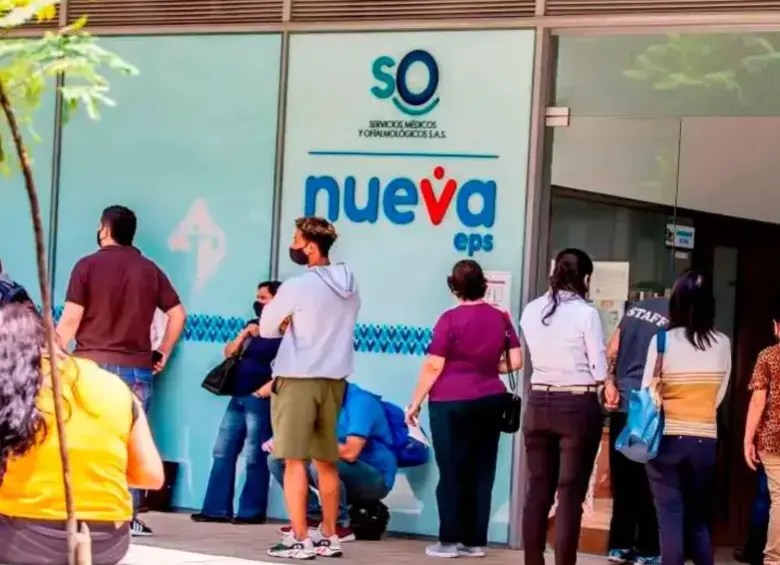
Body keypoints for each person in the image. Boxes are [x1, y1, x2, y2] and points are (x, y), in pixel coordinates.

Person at [55, 205, 187, 537]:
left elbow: (71, 320)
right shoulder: (149, 269)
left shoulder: (86, 265)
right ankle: (126, 516)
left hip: (90, 367)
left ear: (105, 229)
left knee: (82, 437)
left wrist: (51, 352)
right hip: (136, 370)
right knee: (132, 441)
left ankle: (85, 511)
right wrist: (162, 352)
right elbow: (178, 314)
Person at [0, 302, 165, 565]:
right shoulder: (114, 385)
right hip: (107, 540)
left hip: (22, 538)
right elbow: (151, 476)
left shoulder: (10, 387)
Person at [404, 259, 522, 558]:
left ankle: (448, 541)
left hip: (450, 401)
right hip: (490, 398)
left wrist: (415, 402)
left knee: (452, 470)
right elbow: (516, 361)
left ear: (454, 287)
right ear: (484, 284)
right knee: (481, 470)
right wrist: (489, 367)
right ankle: (474, 542)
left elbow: (434, 365)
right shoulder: (500, 317)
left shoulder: (449, 319)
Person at [259, 216, 360, 560]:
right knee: (326, 461)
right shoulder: (349, 283)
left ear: (311, 247)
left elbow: (267, 327)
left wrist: (287, 320)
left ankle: (300, 539)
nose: (293, 245)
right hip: (334, 381)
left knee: (294, 461)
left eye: (296, 240)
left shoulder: (298, 286)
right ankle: (329, 536)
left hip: (298, 379)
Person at [520, 248, 618, 565]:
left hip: (537, 403)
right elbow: (598, 366)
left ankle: (533, 561)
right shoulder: (586, 314)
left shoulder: (531, 309)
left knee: (538, 491)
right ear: (585, 277)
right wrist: (609, 384)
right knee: (570, 493)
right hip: (575, 405)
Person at [642, 270, 731, 565]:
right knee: (697, 518)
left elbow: (647, 393)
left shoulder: (662, 342)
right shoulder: (722, 343)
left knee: (670, 517)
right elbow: (719, 396)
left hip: (666, 440)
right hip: (705, 440)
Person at [191, 281, 283, 524]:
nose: (258, 302)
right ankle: (216, 509)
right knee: (223, 450)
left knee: (255, 454)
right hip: (238, 395)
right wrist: (244, 334)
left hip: (260, 398)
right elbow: (229, 353)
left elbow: (290, 365)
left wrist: (266, 390)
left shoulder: (286, 331)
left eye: (263, 298)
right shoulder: (253, 326)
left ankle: (250, 512)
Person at [269, 381, 397, 543]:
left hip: (374, 476)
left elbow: (351, 452)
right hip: (338, 463)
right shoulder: (319, 400)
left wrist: (306, 444)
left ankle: (339, 524)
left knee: (321, 462)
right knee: (277, 459)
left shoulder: (361, 402)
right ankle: (312, 518)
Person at [604, 292, 668, 565]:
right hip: (649, 408)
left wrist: (609, 382)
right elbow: (663, 363)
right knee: (649, 480)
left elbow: (612, 350)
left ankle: (619, 545)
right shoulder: (676, 317)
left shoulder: (636, 309)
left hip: (622, 402)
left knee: (624, 479)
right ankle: (647, 549)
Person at [744, 300, 780, 565]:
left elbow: (758, 400)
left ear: (777, 327)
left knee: (777, 499)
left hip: (772, 438)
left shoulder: (768, 355)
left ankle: (773, 559)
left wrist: (748, 439)